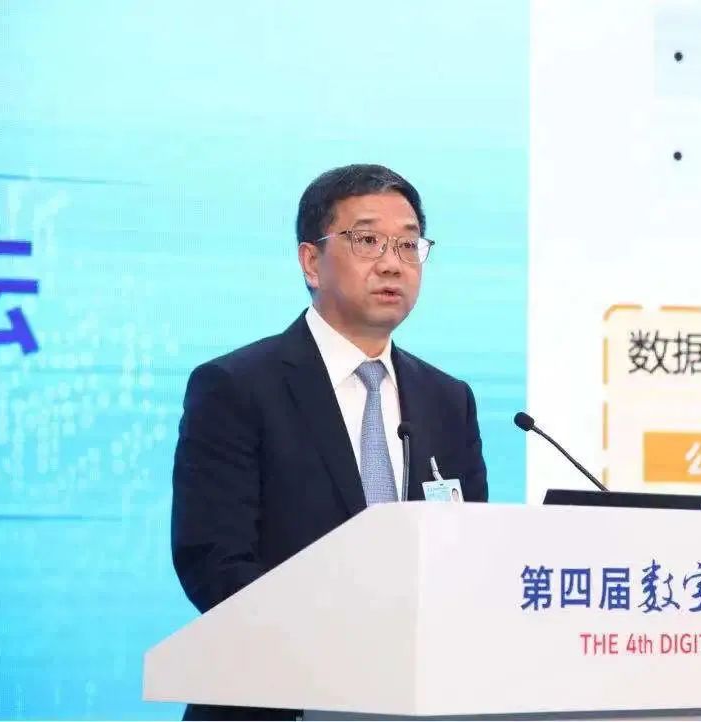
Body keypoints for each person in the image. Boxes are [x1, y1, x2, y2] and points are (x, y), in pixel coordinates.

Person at [170, 164, 488, 720]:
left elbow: (468, 556)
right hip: (276, 703)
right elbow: (214, 563)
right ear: (311, 262)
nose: (392, 263)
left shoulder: (447, 399)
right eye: (367, 240)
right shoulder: (237, 387)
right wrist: (342, 648)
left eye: (408, 244)